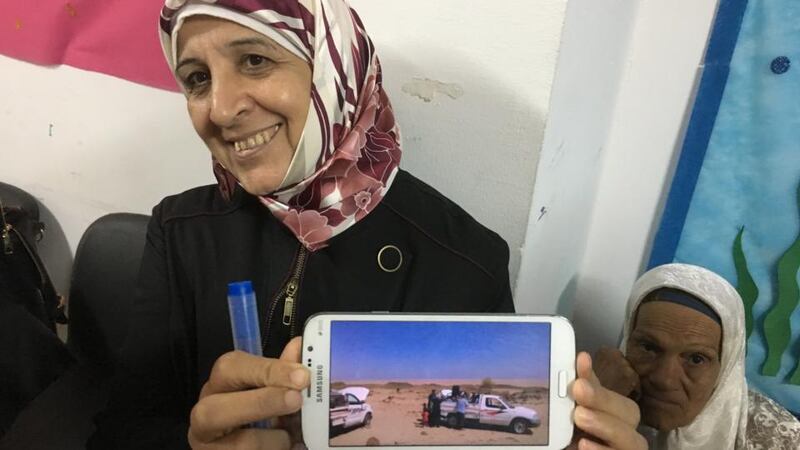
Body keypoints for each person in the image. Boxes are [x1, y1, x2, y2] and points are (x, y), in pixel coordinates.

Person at [89, 1, 646, 449]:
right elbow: (122, 431)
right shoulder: (182, 229)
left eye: (255, 60)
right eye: (196, 78)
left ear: (336, 67)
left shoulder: (465, 259)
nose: (221, 107)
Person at [595, 263, 800, 449]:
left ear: (726, 367)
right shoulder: (592, 394)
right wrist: (593, 403)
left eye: (696, 359)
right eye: (648, 348)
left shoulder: (781, 439)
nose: (664, 379)